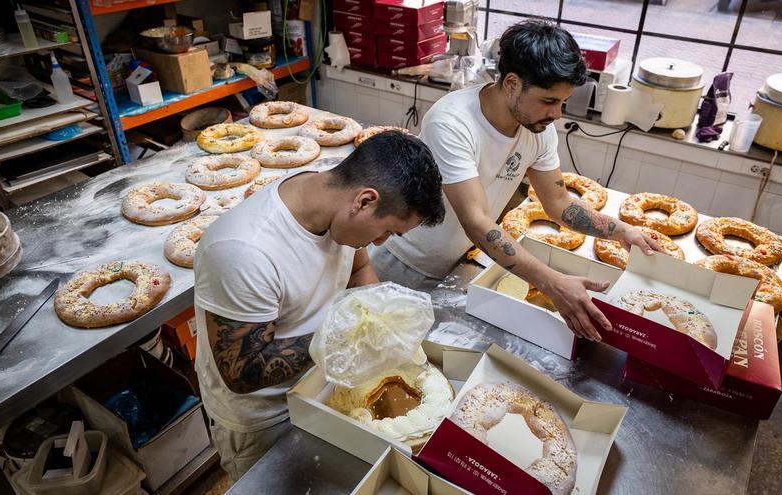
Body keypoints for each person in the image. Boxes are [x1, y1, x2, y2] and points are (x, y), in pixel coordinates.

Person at [371, 20, 663, 342]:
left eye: (563, 102)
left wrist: (622, 231)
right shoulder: (452, 123)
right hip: (406, 265)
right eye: (549, 101)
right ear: (511, 83)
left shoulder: (538, 130)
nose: (558, 114)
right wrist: (552, 282)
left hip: (459, 262)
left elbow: (559, 203)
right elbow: (478, 222)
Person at [192, 132, 445, 481]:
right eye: (387, 231)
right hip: (264, 419)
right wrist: (347, 335)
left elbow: (358, 267)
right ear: (365, 201)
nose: (382, 242)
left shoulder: (333, 198)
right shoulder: (243, 252)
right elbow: (243, 372)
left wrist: (380, 317)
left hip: (326, 385)